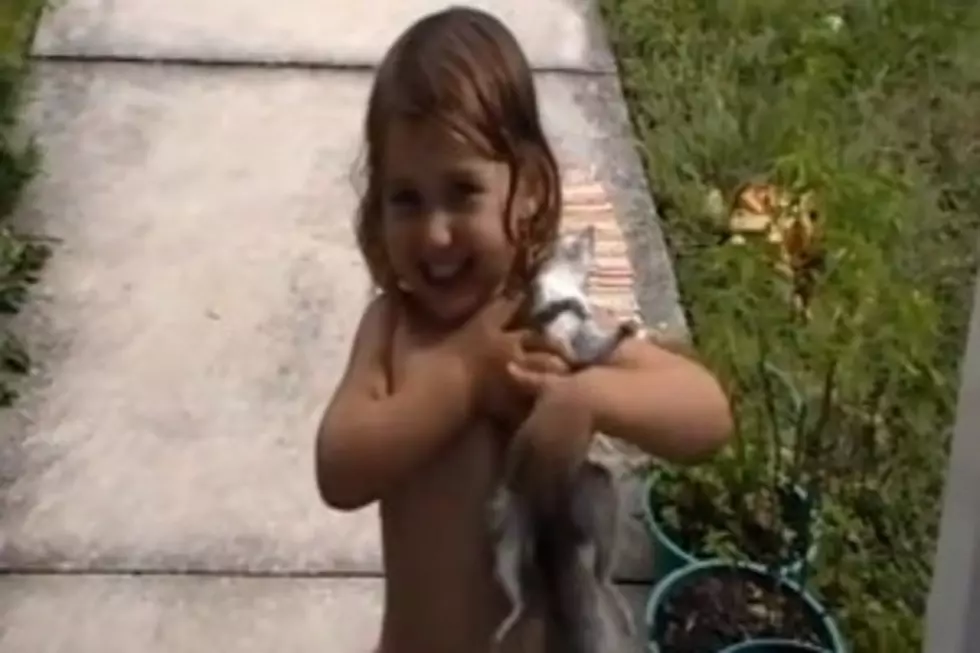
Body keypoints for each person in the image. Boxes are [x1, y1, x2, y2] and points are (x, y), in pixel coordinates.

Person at [314, 7, 733, 653]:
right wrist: (465, 378)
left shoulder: (543, 320)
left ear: (531, 188)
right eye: (406, 198)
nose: (435, 232)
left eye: (462, 191)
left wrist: (588, 400)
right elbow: (339, 469)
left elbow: (707, 415)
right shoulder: (393, 328)